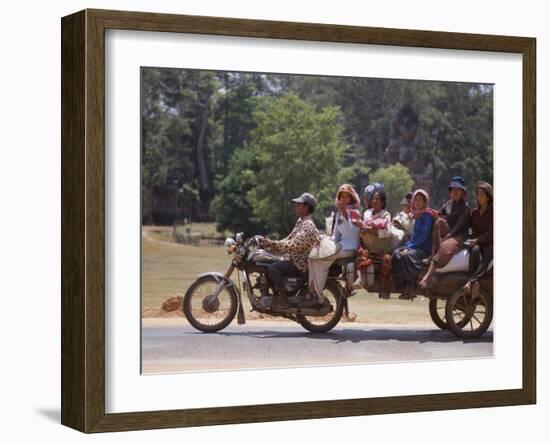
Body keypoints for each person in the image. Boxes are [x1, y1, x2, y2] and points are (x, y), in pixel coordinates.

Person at [260, 193, 320, 308]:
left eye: (298, 204)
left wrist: (273, 243)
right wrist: (270, 244)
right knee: (267, 262)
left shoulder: (308, 225)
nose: (295, 206)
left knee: (272, 268)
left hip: (300, 263)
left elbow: (294, 245)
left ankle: (283, 299)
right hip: (293, 259)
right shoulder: (300, 221)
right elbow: (288, 239)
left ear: (306, 207)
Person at [306, 184, 361, 303]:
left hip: (349, 248)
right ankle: (311, 288)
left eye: (347, 197)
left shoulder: (354, 212)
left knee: (319, 259)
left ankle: (317, 294)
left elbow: (350, 231)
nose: (344, 200)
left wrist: (345, 214)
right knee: (311, 257)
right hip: (340, 246)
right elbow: (336, 235)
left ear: (351, 199)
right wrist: (325, 239)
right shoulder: (339, 213)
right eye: (342, 197)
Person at [419, 176, 470, 289]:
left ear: (462, 192)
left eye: (458, 190)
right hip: (448, 233)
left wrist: (448, 237)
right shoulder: (448, 205)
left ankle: (427, 277)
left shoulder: (465, 208)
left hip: (459, 235)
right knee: (439, 221)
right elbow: (439, 215)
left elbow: (459, 226)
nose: (455, 192)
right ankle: (433, 253)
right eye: (453, 190)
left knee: (446, 247)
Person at [391, 189, 434, 299]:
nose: (418, 202)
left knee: (407, 255)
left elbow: (423, 237)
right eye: (416, 200)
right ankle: (401, 286)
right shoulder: (416, 215)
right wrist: (406, 246)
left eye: (420, 200)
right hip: (414, 245)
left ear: (425, 202)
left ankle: (412, 287)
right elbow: (414, 236)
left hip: (424, 248)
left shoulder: (427, 215)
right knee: (396, 253)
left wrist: (409, 248)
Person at [354, 189, 392, 297]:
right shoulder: (366, 214)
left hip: (380, 249)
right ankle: (360, 279)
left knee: (387, 260)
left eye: (378, 199)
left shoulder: (386, 215)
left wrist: (372, 231)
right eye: (373, 199)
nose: (375, 201)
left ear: (383, 202)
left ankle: (383, 287)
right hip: (368, 248)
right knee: (358, 254)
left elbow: (387, 233)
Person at [462, 181, 493, 297]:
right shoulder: (474, 213)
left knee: (489, 253)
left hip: (488, 242)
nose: (478, 197)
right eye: (477, 194)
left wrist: (478, 240)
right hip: (475, 242)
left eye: (482, 195)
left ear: (488, 197)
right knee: (474, 250)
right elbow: (466, 227)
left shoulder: (494, 213)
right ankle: (473, 282)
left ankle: (471, 281)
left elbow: (492, 232)